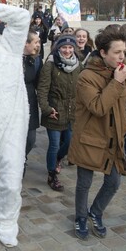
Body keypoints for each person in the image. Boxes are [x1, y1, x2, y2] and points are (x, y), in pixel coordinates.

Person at [68, 25, 126, 240]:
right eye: (117, 52)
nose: (123, 56)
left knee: (114, 182)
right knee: (84, 183)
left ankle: (96, 211)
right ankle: (80, 216)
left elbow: (122, 106)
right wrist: (116, 82)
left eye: (124, 51)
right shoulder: (86, 76)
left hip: (113, 140)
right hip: (90, 139)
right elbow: (98, 107)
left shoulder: (122, 73)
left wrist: (123, 132)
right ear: (103, 53)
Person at [37, 34, 82, 190]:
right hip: (54, 110)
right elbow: (42, 89)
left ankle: (56, 160)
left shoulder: (78, 64)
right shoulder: (50, 64)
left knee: (69, 142)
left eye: (70, 47)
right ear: (58, 48)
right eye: (64, 47)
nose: (67, 50)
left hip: (72, 111)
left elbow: (82, 87)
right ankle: (52, 175)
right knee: (55, 144)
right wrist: (47, 109)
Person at [23, 30, 41, 175]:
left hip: (30, 102)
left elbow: (39, 83)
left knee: (31, 139)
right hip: (14, 105)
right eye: (36, 42)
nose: (38, 45)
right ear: (25, 43)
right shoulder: (11, 59)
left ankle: (22, 157)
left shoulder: (35, 60)